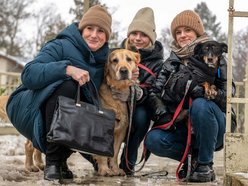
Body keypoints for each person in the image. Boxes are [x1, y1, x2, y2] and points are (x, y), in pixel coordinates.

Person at [6, 5, 113, 181]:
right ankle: (53, 162)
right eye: (89, 28)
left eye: (101, 31)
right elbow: (28, 74)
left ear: (107, 36)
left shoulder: (105, 60)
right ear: (81, 29)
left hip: (62, 114)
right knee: (69, 86)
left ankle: (61, 161)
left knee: (83, 104)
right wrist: (67, 68)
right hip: (29, 106)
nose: (94, 35)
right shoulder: (61, 45)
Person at [144, 10, 236, 182]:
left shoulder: (216, 55)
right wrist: (165, 115)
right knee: (153, 140)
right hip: (183, 127)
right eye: (178, 32)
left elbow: (229, 93)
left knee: (200, 104)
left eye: (187, 30)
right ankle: (193, 159)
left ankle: (204, 165)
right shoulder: (171, 62)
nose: (183, 35)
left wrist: (206, 93)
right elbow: (155, 93)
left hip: (214, 123)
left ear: (197, 32)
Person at [118, 7, 164, 175]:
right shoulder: (116, 53)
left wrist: (136, 90)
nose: (138, 38)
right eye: (134, 33)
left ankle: (127, 162)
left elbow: (154, 92)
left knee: (142, 116)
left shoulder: (158, 63)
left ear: (151, 38)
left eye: (143, 35)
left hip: (140, 104)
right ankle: (102, 161)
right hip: (115, 101)